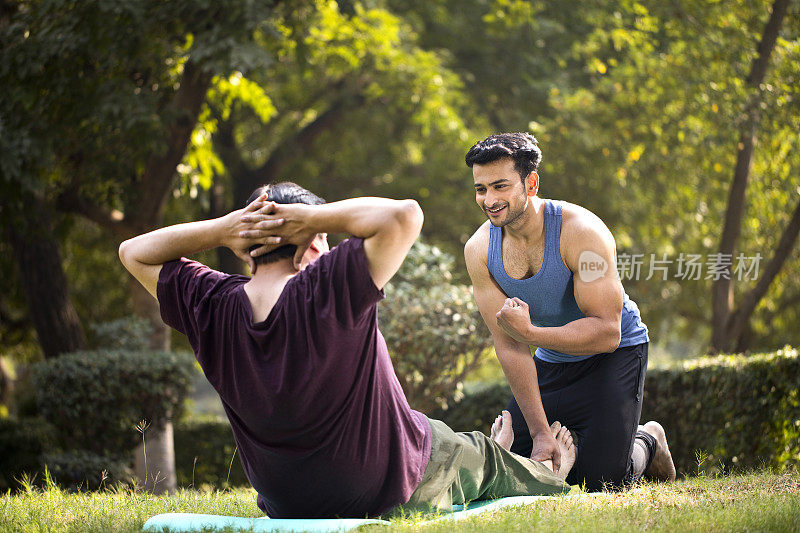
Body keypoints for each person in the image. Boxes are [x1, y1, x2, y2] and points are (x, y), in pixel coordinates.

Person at [119, 182, 576, 519]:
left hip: (287, 502)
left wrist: (222, 229)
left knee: (439, 436)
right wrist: (314, 221)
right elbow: (405, 215)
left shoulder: (210, 304)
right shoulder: (325, 285)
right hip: (386, 486)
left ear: (246, 249)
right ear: (313, 244)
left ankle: (480, 460)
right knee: (470, 451)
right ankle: (527, 469)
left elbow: (133, 251)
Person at [463, 132, 676, 492]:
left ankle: (648, 440)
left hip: (614, 355)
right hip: (553, 359)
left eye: (500, 186)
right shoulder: (480, 250)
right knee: (512, 462)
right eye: (481, 189)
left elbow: (608, 333)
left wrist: (532, 334)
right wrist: (539, 433)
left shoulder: (582, 233)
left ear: (531, 183)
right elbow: (510, 346)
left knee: (602, 482)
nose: (490, 199)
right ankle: (561, 442)